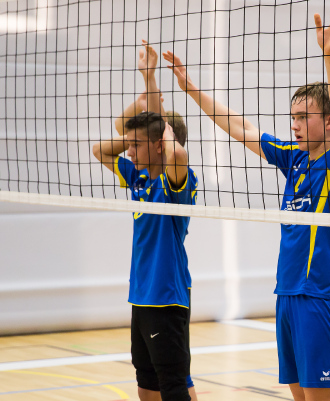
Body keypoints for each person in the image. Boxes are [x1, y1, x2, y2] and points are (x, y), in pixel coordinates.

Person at [164, 2, 330, 400]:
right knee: (297, 394)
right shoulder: (293, 158)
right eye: (293, 116)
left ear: (327, 122)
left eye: (304, 117)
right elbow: (241, 127)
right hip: (286, 293)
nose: (295, 124)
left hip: (320, 297)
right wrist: (191, 90)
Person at [92, 41, 199, 401]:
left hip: (166, 295)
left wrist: (151, 84)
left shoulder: (175, 183)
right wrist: (135, 133)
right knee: (146, 386)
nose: (129, 150)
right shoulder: (139, 179)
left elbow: (175, 154)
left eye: (137, 145)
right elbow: (99, 149)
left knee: (174, 385)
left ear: (160, 144)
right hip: (141, 294)